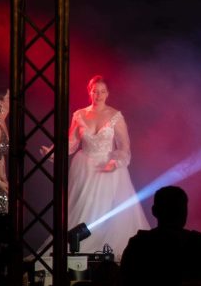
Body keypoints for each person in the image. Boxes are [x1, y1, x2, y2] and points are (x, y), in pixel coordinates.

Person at [51, 75, 150, 255]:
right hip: (85, 167)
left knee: (107, 210)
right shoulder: (80, 114)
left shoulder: (115, 116)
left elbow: (124, 148)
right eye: (95, 91)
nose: (98, 95)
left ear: (108, 93)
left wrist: (115, 162)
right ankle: (75, 248)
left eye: (102, 92)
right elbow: (70, 143)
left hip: (108, 167)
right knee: (83, 208)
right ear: (90, 92)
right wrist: (52, 151)